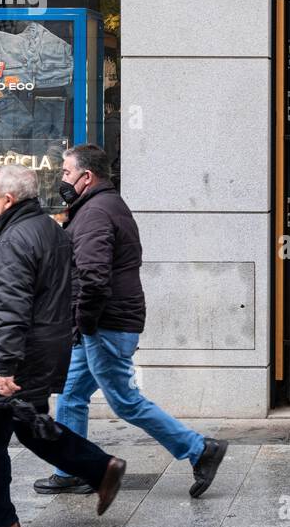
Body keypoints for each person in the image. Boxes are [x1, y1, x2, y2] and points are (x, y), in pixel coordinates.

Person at [34, 144, 228, 499]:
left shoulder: (94, 212)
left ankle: (201, 449)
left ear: (86, 177)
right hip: (103, 322)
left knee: (124, 400)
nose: (61, 179)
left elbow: (93, 277)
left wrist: (85, 324)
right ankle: (69, 470)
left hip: (105, 324)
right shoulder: (101, 205)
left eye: (65, 173)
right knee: (72, 395)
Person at [0, 164, 126, 527]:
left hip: (18, 355)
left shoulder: (17, 240)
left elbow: (13, 309)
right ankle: (101, 469)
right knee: (29, 424)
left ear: (9, 199)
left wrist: (5, 366)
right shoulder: (49, 229)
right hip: (42, 350)